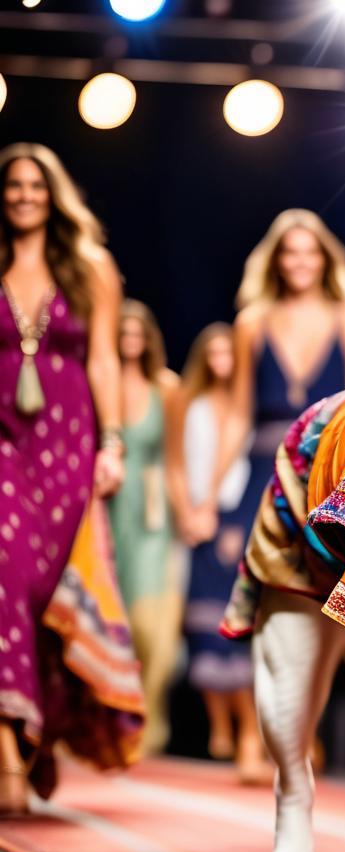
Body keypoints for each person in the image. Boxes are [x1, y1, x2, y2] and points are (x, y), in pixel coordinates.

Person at [0, 143, 143, 812]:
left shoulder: (90, 268)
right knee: (6, 578)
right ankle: (6, 748)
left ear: (53, 194)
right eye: (13, 185)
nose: (24, 195)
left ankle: (42, 733)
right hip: (3, 444)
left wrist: (111, 444)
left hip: (67, 446)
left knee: (50, 595)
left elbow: (106, 363)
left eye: (36, 184)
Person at [210, 210, 345, 781]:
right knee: (268, 603)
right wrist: (207, 492)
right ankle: (263, 745)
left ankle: (303, 731)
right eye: (290, 252)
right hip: (264, 469)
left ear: (325, 259)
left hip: (330, 472)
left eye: (310, 252)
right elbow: (235, 413)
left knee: (328, 604)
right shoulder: (252, 322)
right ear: (277, 261)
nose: (300, 261)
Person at [166, 322, 259, 776]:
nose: (222, 362)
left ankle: (246, 728)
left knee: (236, 622)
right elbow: (176, 462)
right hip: (199, 519)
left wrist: (232, 521)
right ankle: (219, 724)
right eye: (215, 354)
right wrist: (187, 511)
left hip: (235, 514)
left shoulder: (250, 406)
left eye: (230, 354)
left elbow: (253, 464)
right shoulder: (189, 401)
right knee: (202, 620)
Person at [107, 300, 181, 755]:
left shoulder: (166, 388)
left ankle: (149, 719)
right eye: (123, 332)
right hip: (108, 503)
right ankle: (110, 721)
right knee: (113, 613)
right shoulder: (102, 382)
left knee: (152, 622)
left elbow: (175, 458)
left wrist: (189, 510)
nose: (131, 340)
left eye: (138, 332)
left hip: (152, 510)